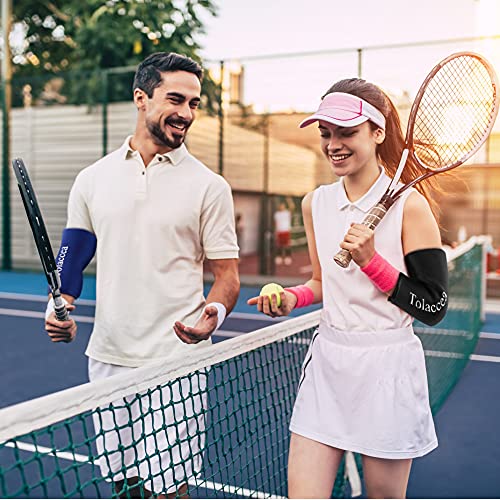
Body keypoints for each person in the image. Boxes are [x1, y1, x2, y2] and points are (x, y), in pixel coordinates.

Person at [44, 52, 240, 498]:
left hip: (177, 363)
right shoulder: (92, 179)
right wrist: (61, 308)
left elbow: (227, 276)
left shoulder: (210, 186)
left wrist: (213, 312)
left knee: (170, 492)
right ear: (141, 97)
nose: (187, 113)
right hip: (110, 357)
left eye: (194, 103)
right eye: (176, 99)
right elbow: (71, 260)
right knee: (123, 487)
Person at [248, 79, 448, 498]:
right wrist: (291, 298)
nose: (333, 144)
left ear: (378, 133)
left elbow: (433, 305)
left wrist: (372, 262)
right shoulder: (314, 203)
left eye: (347, 132)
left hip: (387, 370)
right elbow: (322, 283)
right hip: (328, 365)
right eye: (326, 133)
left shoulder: (412, 206)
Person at [274, 201, 293, 265]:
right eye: (281, 206)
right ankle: (279, 257)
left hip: (286, 231)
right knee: (279, 245)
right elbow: (276, 223)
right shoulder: (277, 214)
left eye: (283, 206)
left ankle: (288, 258)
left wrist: (289, 200)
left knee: (287, 245)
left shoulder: (287, 213)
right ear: (279, 207)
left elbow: (292, 207)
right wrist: (276, 232)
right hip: (279, 231)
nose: (282, 207)